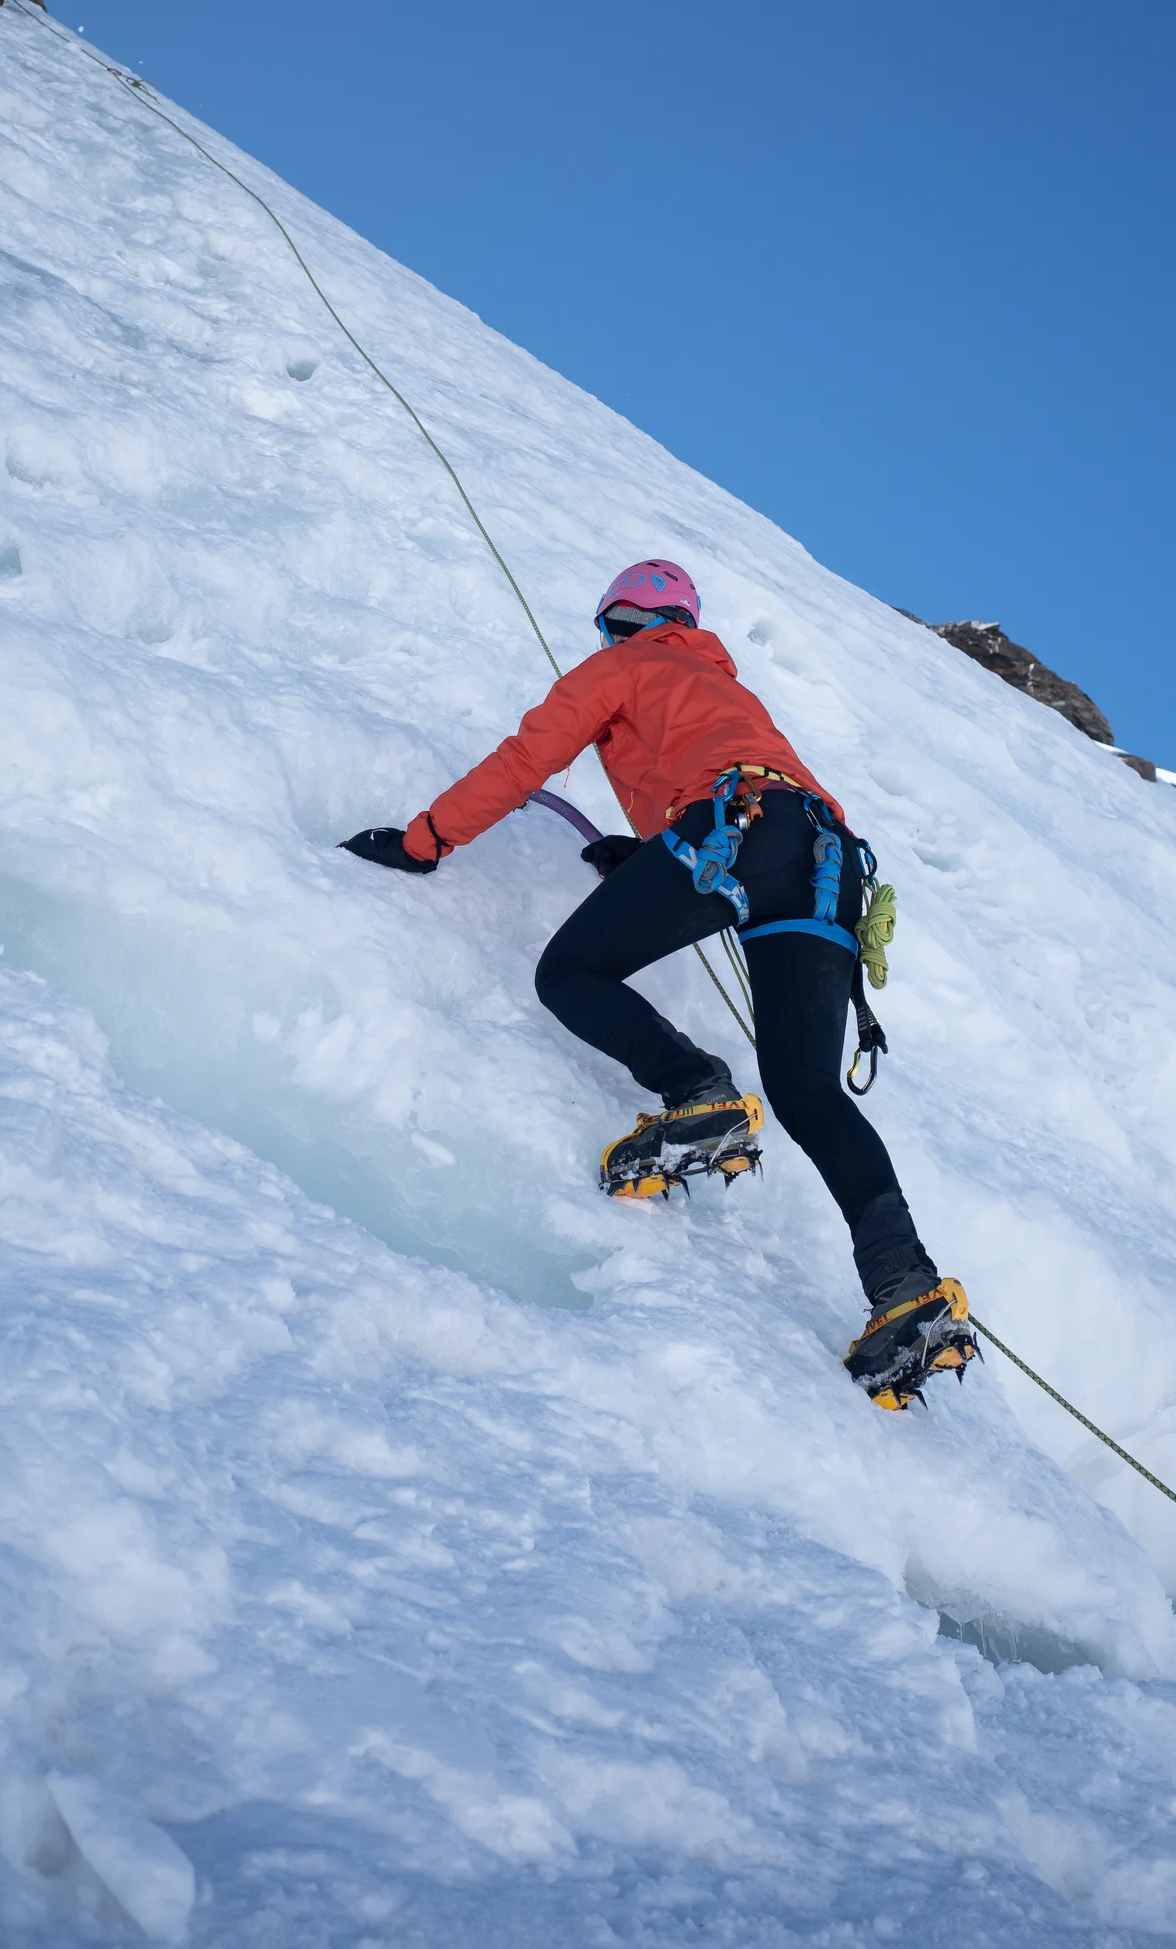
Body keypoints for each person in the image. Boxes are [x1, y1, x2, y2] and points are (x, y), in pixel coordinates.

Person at [342, 560, 974, 1406]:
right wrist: (643, 854)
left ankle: (698, 1092)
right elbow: (723, 778)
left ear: (626, 622)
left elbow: (526, 758)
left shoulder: (627, 666)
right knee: (807, 1091)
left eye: (610, 627)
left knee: (571, 972)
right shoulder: (720, 687)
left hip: (734, 825)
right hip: (828, 862)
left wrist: (422, 843)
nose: (606, 642)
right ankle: (908, 1287)